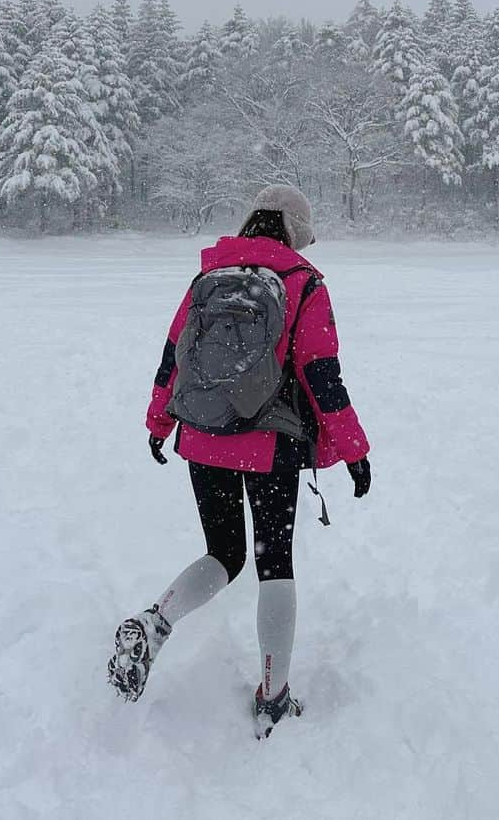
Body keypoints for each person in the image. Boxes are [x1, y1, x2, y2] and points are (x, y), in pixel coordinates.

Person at [107, 184, 371, 738]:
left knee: (224, 553)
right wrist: (354, 450)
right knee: (274, 563)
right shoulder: (303, 282)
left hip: (203, 437)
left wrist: (160, 422)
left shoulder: (208, 277)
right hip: (270, 444)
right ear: (295, 231)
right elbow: (321, 375)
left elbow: (171, 355)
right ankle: (273, 697)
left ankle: (154, 625)